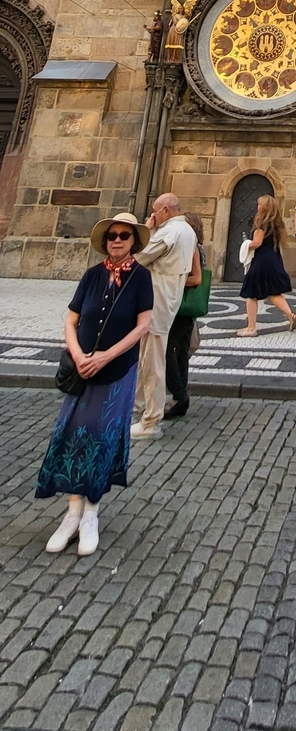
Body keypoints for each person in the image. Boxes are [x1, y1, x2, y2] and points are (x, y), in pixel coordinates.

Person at [36, 212, 154, 555]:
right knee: (73, 434)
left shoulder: (141, 277)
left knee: (101, 437)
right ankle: (72, 513)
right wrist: (78, 355)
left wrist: (105, 356)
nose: (117, 240)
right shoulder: (91, 275)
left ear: (133, 242)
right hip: (82, 369)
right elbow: (71, 320)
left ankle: (91, 513)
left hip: (116, 371)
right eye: (112, 235)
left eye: (124, 236)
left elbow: (143, 326)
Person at [131, 193, 197, 440]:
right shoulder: (187, 230)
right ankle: (137, 407)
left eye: (155, 211)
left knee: (152, 363)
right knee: (147, 358)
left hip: (157, 302)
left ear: (166, 210)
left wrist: (147, 230)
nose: (153, 215)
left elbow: (138, 257)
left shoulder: (169, 232)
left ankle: (151, 420)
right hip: (167, 300)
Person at [164, 210, 206, 421]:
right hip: (187, 308)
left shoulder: (192, 247)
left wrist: (170, 281)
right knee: (181, 350)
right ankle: (179, 396)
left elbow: (196, 278)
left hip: (181, 304)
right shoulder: (198, 246)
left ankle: (179, 395)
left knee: (168, 349)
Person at [237, 195, 296, 338]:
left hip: (261, 261)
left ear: (264, 207)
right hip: (274, 259)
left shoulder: (261, 224)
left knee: (251, 294)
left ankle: (251, 328)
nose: (258, 207)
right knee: (274, 292)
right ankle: (291, 315)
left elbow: (257, 243)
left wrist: (246, 245)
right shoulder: (276, 224)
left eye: (259, 205)